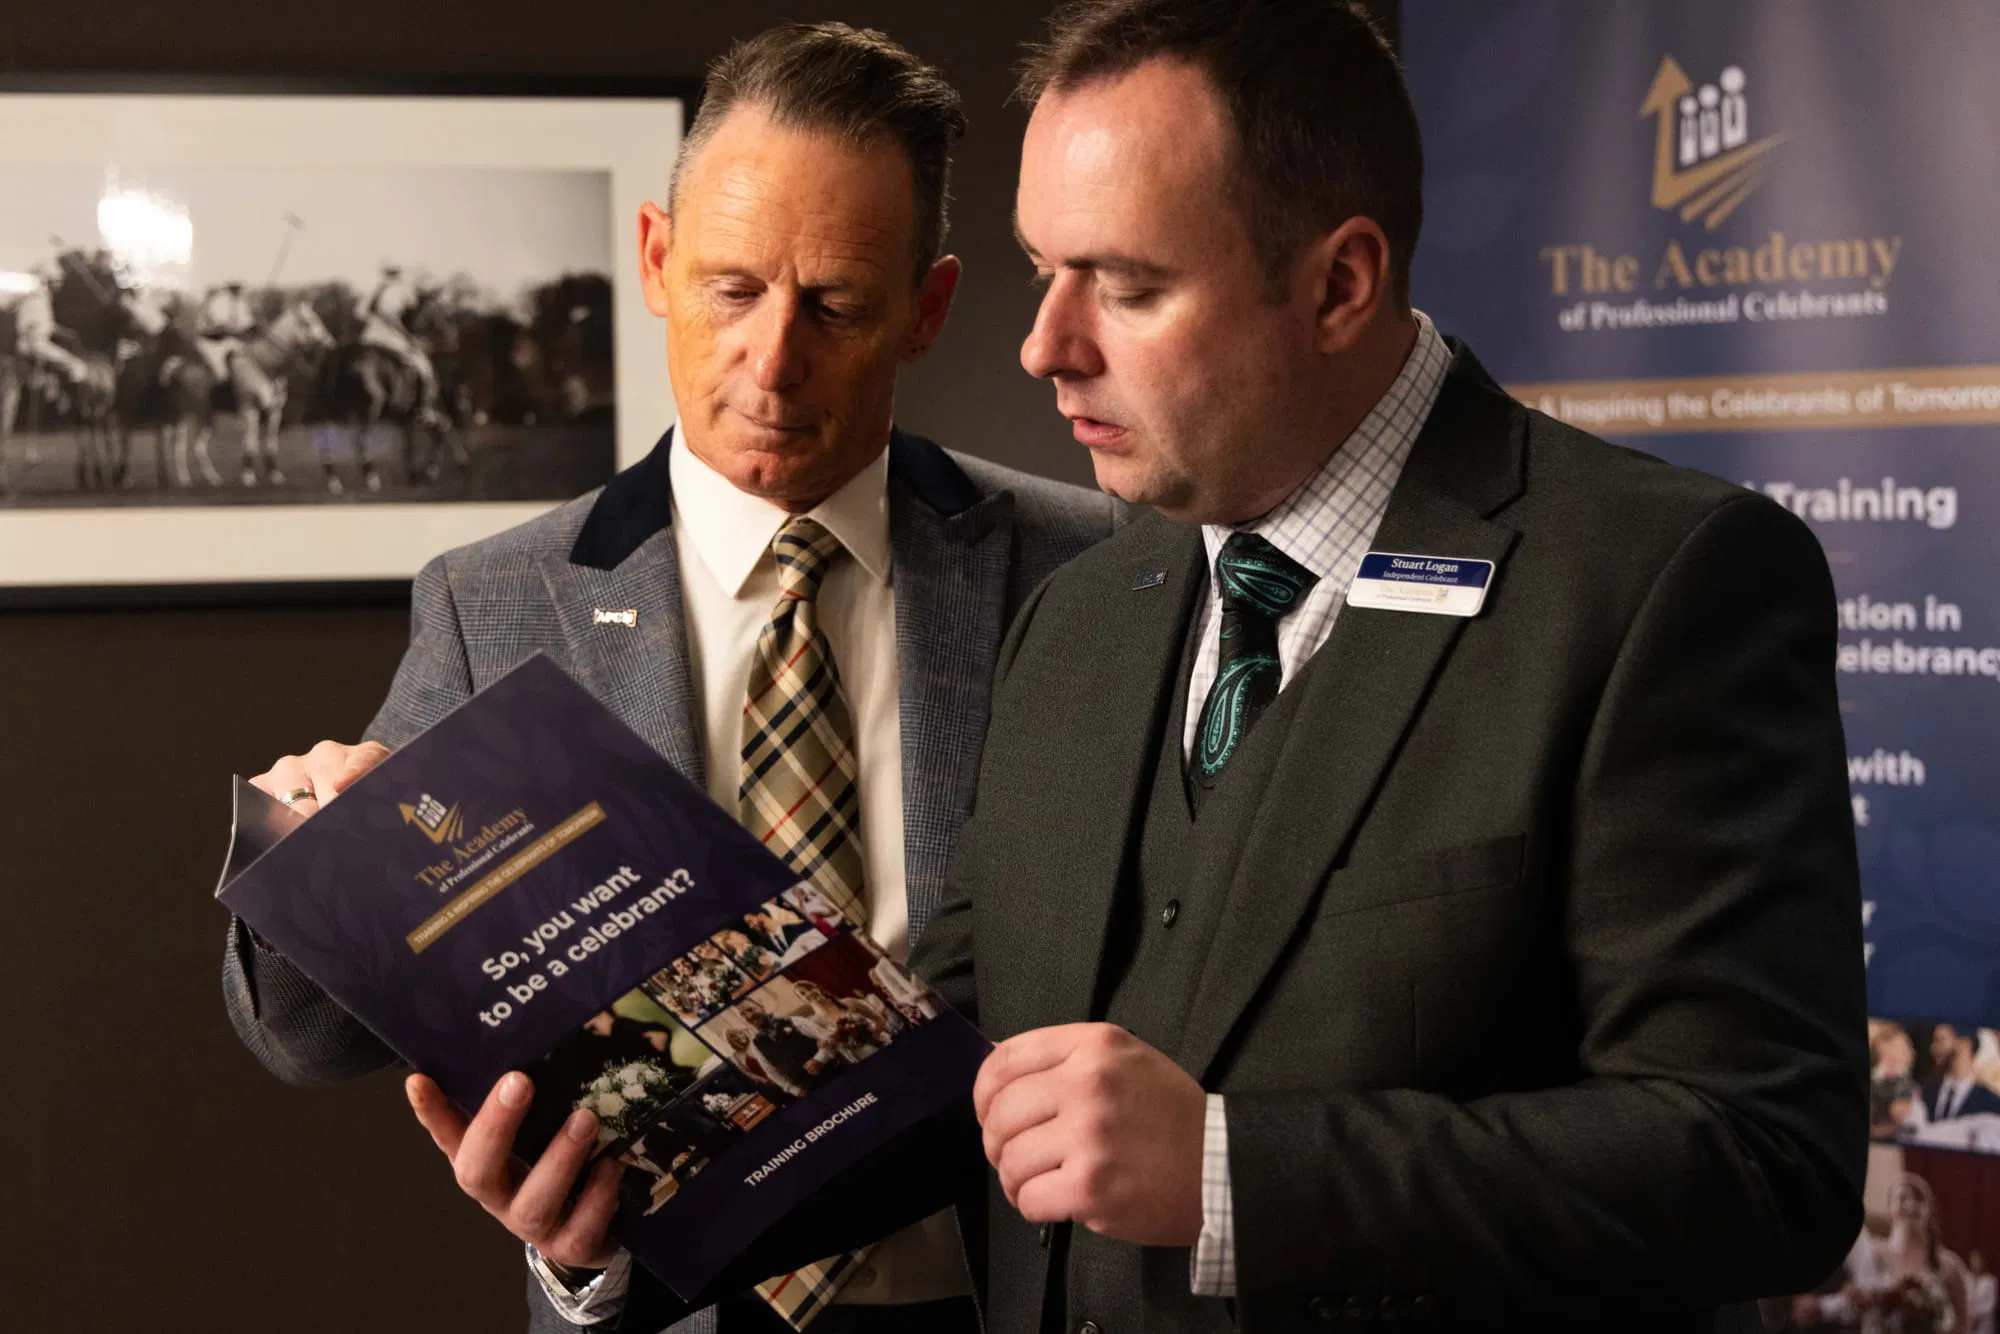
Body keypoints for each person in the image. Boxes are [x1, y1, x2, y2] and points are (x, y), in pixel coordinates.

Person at [905, 2, 1865, 1330]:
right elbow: (944, 1048)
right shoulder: (1075, 614)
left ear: (1340, 284)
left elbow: (1765, 1159)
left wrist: (1238, 1174)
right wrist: (644, 1161)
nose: (1044, 344)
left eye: (1124, 287)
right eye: (1040, 270)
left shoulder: (1662, 584)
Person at [220, 21, 1116, 1334]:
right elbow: (311, 1036)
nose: (770, 360)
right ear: (655, 259)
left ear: (926, 309)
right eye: (731, 288)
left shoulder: (1085, 563)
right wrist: (303, 853)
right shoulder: (495, 603)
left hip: (1009, 1298)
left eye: (835, 306)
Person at [355, 262, 442, 423]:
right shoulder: (396, 290)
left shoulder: (376, 288)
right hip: (387, 337)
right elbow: (391, 317)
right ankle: (425, 409)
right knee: (424, 367)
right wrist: (410, 337)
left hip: (368, 336)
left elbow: (359, 313)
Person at [11, 262, 88, 400]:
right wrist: (33, 338)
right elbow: (29, 324)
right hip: (34, 344)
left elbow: (46, 324)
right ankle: (74, 402)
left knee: (66, 361)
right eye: (56, 281)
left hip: (35, 342)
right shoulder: (36, 298)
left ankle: (57, 393)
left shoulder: (42, 297)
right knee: (76, 365)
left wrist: (66, 333)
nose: (58, 284)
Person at [1925, 1024, 2000, 1122]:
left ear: (1964, 1044)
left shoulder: (1991, 1103)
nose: (1933, 1048)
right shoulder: (1925, 1093)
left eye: (1941, 1040)